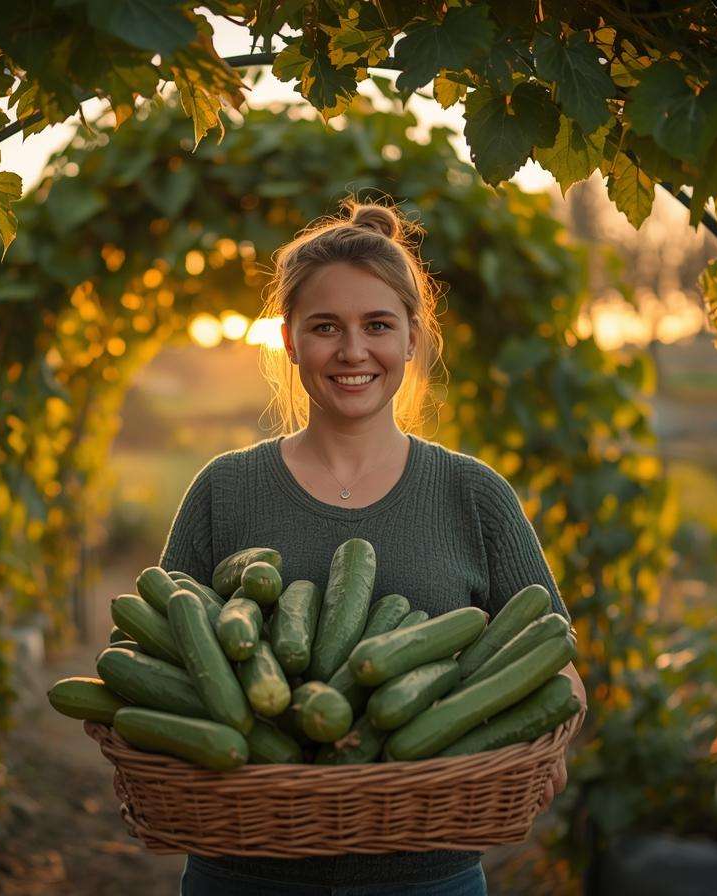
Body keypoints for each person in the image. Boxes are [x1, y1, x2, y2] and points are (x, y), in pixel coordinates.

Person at [158, 199, 587, 896]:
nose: (353, 351)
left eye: (378, 325)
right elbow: (156, 655)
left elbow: (553, 658)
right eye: (325, 327)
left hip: (428, 877)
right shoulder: (224, 489)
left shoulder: (473, 495)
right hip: (244, 872)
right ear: (289, 340)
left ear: (413, 338)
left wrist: (556, 724)